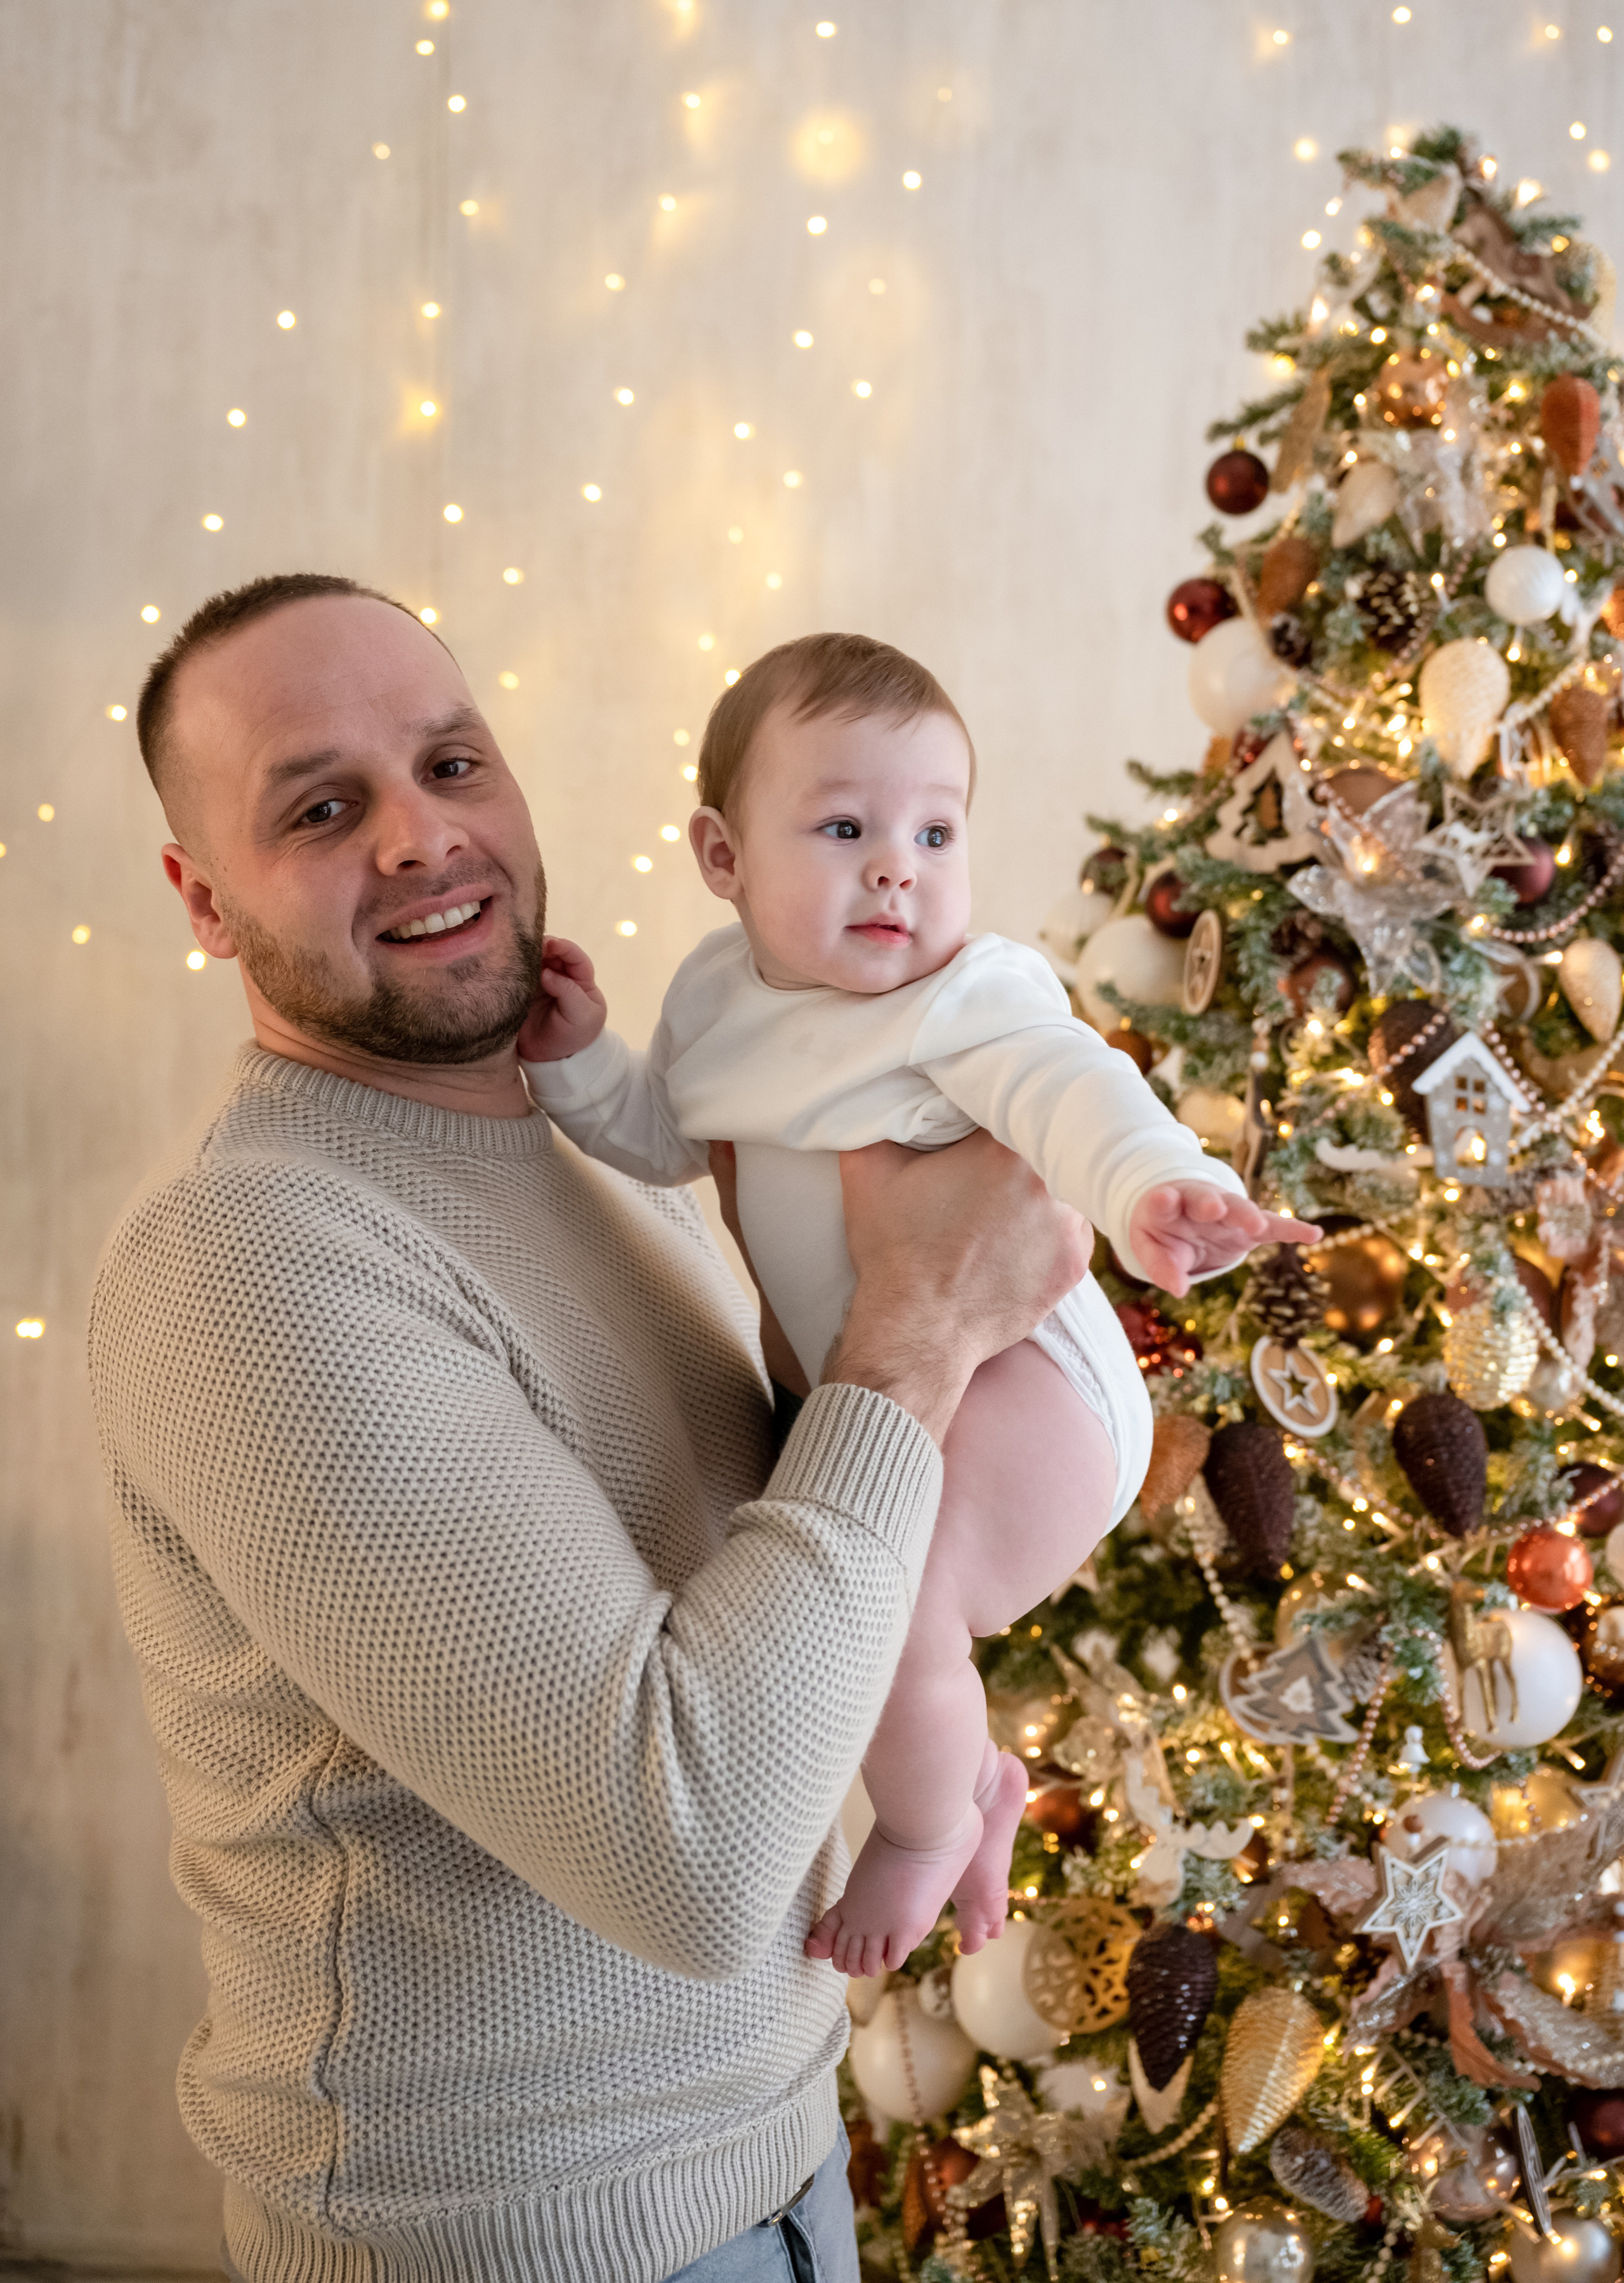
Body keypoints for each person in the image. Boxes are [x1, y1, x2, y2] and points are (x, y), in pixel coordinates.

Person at [89, 574, 1097, 2283]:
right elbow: (689, 1852)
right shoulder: (254, 1261)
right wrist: (917, 1325)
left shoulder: (593, 1166)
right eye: (323, 805)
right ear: (204, 899)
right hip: (524, 2239)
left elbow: (796, 1595)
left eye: (455, 761)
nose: (422, 834)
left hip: (774, 2167)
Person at [523, 633, 1318, 1979]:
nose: (898, 866)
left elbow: (1070, 1091)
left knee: (884, 1611)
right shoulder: (719, 999)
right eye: (843, 827)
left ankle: (916, 1834)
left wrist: (1149, 1187)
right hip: (920, 1384)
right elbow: (668, 1138)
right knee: (856, 1616)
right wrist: (579, 1061)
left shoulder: (967, 998)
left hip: (1032, 1382)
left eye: (934, 832)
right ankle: (977, 1791)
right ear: (722, 858)